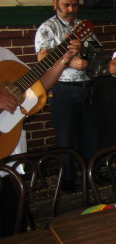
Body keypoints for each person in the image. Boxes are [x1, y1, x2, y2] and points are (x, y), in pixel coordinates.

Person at [0, 42, 81, 236]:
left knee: (13, 228)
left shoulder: (4, 54)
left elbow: (39, 86)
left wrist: (64, 59)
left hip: (9, 161)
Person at [34, 0, 101, 192]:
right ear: (55, 4)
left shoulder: (84, 26)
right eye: (66, 5)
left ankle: (94, 175)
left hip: (87, 87)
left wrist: (86, 51)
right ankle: (68, 180)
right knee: (65, 137)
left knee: (92, 134)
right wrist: (71, 61)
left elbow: (99, 52)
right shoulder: (47, 28)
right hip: (62, 89)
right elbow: (43, 58)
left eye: (75, 5)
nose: (71, 10)